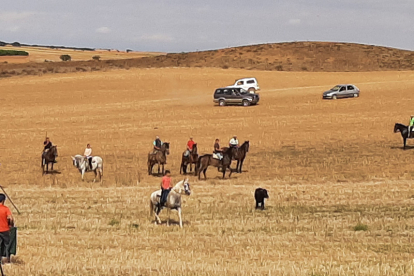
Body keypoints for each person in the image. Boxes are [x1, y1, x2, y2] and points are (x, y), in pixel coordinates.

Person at [0, 194, 13, 264]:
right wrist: (11, 224)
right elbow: (10, 218)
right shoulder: (5, 208)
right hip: (5, 230)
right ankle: (7, 259)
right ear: (3, 201)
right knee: (7, 244)